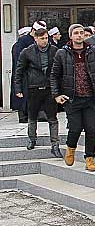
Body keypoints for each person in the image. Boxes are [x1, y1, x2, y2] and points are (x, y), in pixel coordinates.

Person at [51, 24, 95, 172]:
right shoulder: (62, 53)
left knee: (91, 129)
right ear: (71, 36)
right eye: (76, 33)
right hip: (72, 98)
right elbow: (54, 75)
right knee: (75, 128)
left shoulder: (93, 51)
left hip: (90, 97)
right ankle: (70, 148)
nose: (79, 35)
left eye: (82, 33)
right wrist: (56, 94)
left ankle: (90, 159)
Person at [14, 28, 61, 157]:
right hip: (34, 87)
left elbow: (60, 70)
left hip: (50, 88)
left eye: (46, 38)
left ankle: (55, 144)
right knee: (32, 116)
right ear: (35, 38)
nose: (45, 41)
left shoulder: (54, 51)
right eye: (42, 38)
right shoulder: (27, 52)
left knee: (52, 118)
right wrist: (17, 88)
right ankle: (32, 139)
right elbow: (19, 71)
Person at [11, 26, 34, 123]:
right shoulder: (19, 45)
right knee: (21, 96)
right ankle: (23, 116)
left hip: (27, 74)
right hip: (22, 75)